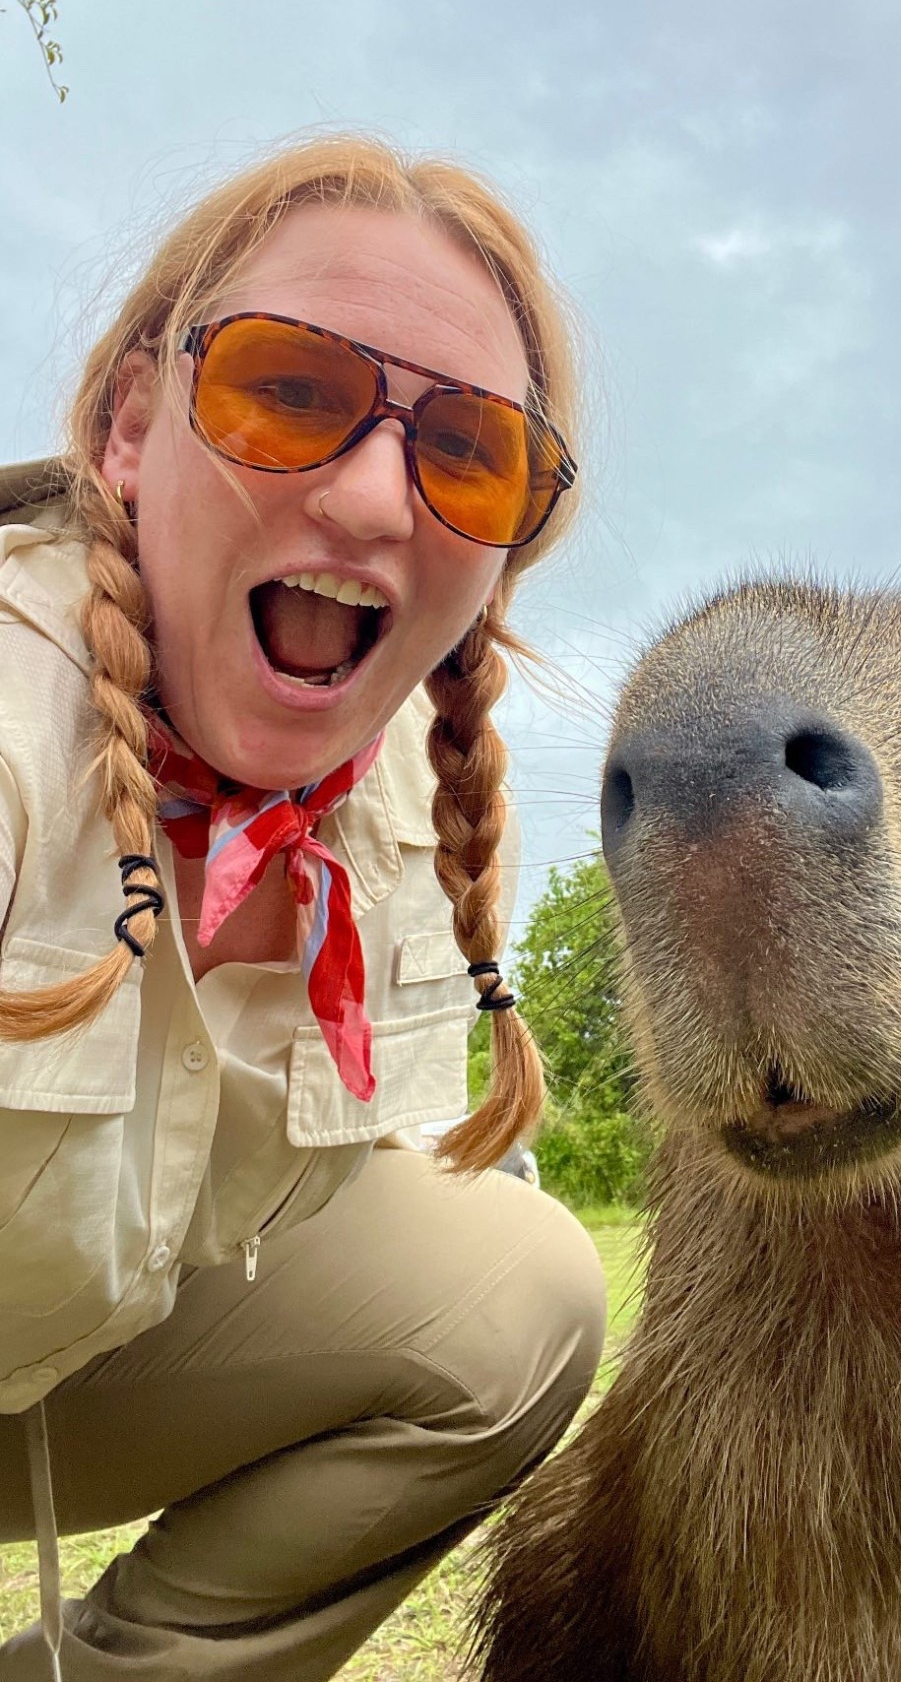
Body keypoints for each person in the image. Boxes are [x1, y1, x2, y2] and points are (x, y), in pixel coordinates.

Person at [0, 136, 608, 1681]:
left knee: (518, 1299)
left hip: (74, 1347)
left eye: (470, 454)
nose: (368, 496)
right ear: (134, 425)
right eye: (287, 389)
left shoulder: (433, 800)